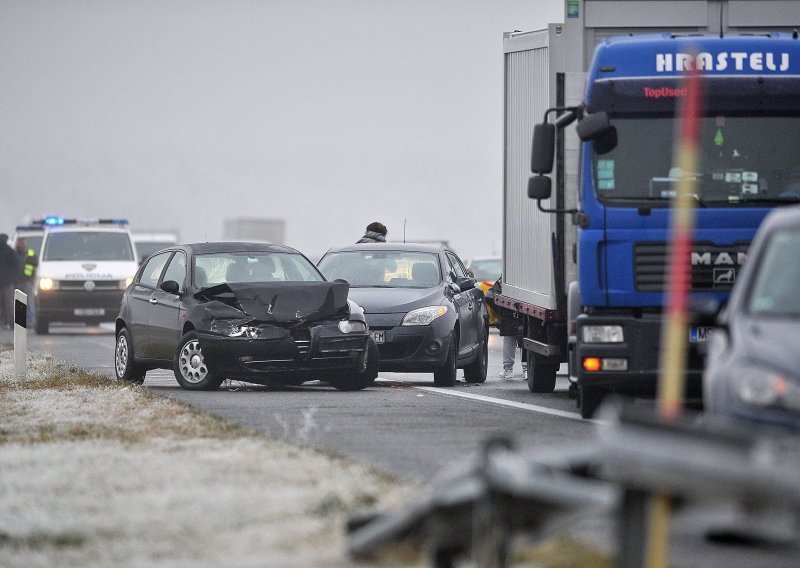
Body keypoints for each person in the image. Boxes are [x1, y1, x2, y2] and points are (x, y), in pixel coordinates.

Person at [485, 277, 526, 380]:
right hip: (525, 313)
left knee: (509, 339)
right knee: (525, 340)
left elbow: (489, 296)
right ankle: (526, 369)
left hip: (508, 314)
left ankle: (508, 369)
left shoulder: (505, 278)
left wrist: (500, 312)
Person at [14, 238, 38, 326]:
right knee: (19, 301)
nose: (22, 245)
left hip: (27, 281)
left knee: (29, 302)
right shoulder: (14, 254)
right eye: (20, 243)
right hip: (17, 281)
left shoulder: (30, 254)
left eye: (23, 244)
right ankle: (21, 322)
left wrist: (32, 279)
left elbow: (35, 265)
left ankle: (31, 321)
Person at [0, 233, 20, 329]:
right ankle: (11, 322)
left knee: (3, 303)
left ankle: (4, 321)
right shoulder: (10, 251)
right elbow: (16, 265)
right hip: (8, 281)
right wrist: (15, 277)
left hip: (5, 280)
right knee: (9, 303)